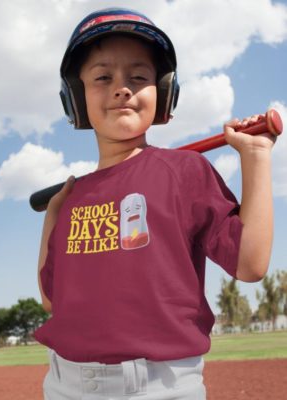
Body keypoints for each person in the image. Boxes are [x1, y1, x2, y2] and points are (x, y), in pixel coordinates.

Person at [34, 7, 276, 400]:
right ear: (75, 96)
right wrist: (54, 216)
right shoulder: (72, 197)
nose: (122, 87)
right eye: (102, 77)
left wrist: (255, 155)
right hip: (64, 384)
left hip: (157, 387)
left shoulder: (183, 171)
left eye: (139, 76)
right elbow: (51, 300)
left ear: (163, 92)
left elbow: (249, 265)